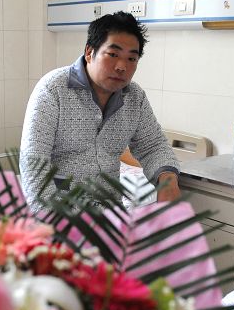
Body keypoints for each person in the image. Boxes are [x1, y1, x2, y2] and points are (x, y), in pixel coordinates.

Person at [19, 11, 181, 212]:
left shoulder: (134, 97)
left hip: (109, 214)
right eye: (113, 55)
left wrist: (167, 179)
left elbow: (153, 146)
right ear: (89, 52)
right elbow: (34, 165)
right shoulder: (53, 90)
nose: (122, 66)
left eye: (132, 58)